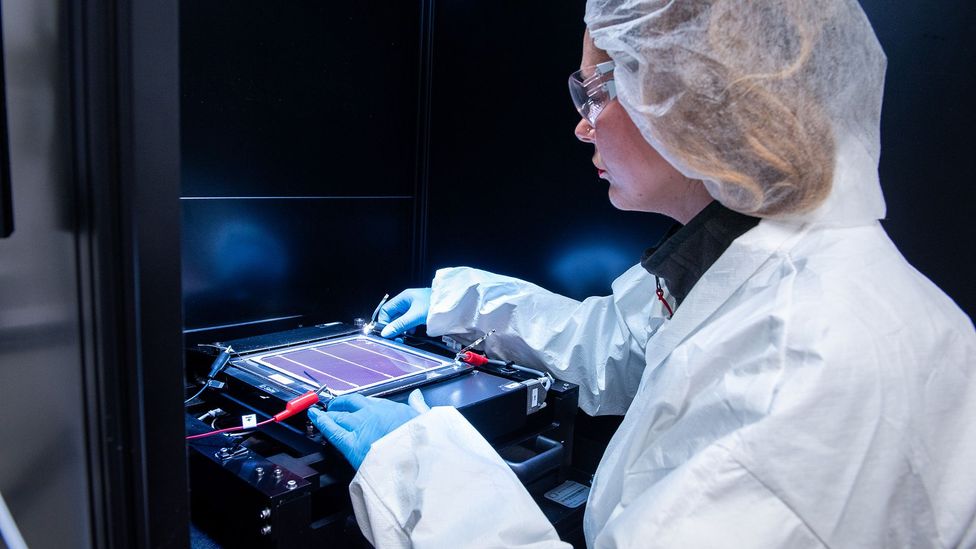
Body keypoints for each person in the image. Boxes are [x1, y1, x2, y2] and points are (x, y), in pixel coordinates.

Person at [309, 1, 976, 546]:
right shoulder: (761, 262)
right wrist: (460, 302)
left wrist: (422, 472)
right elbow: (614, 345)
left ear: (695, 101)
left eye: (598, 91)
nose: (582, 126)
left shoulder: (801, 363)